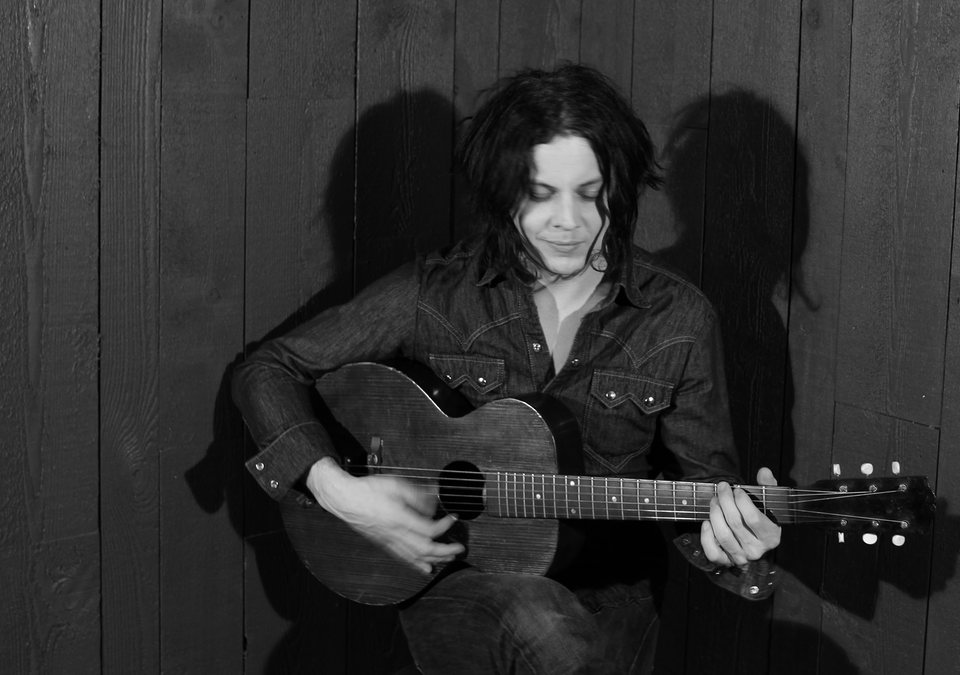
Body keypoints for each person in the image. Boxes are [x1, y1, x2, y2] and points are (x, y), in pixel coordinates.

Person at [232, 63, 781, 674]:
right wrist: (340, 491)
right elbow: (267, 370)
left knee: (568, 644)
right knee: (541, 625)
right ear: (503, 191)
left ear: (621, 188)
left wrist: (737, 549)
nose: (569, 221)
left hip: (607, 602)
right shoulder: (437, 293)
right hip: (462, 586)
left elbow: (706, 493)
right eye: (540, 193)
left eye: (591, 192)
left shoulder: (679, 318)